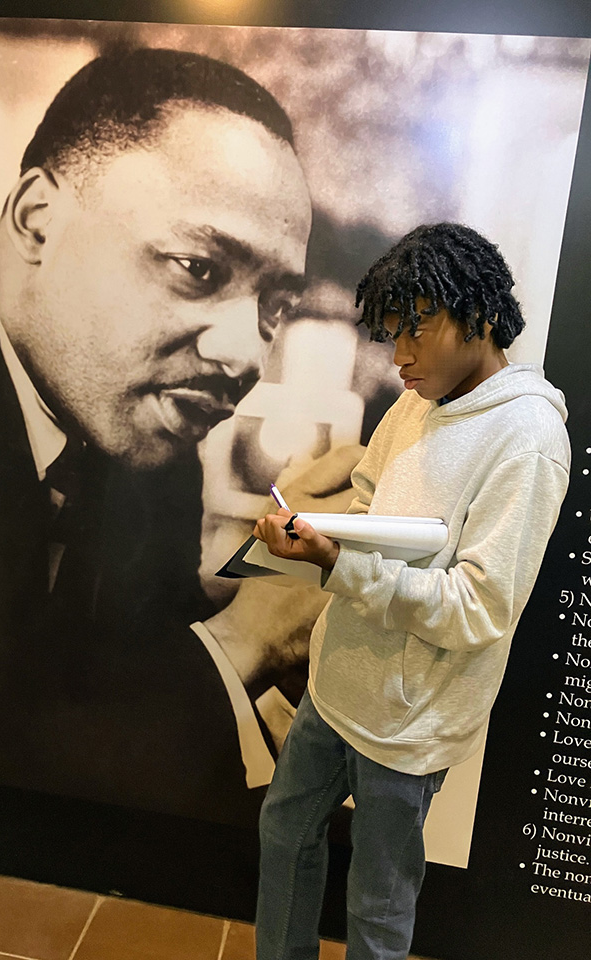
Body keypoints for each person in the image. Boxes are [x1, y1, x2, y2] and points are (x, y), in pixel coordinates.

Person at [0, 46, 313, 824]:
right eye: (198, 268)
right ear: (37, 220)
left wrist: (277, 576)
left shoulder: (141, 427)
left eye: (277, 305)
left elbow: (128, 675)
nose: (246, 355)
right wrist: (243, 643)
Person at [251, 223, 571, 959]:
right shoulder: (415, 401)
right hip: (336, 684)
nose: (397, 357)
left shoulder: (528, 441)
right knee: (284, 833)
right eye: (390, 335)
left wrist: (341, 565)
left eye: (413, 333)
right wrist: (318, 537)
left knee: (378, 903)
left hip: (411, 722)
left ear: (477, 315)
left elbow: (480, 609)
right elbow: (370, 502)